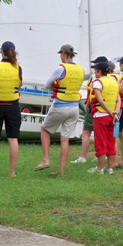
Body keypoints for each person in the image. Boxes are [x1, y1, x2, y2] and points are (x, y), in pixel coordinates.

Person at [34, 44, 84, 175]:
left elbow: (46, 84)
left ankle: (46, 160)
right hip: (74, 107)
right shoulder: (80, 69)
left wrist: (53, 88)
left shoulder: (61, 68)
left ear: (63, 53)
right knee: (65, 138)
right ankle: (61, 171)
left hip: (60, 106)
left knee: (45, 130)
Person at [0, 41, 22, 178]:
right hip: (13, 106)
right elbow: (19, 83)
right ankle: (12, 172)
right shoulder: (18, 68)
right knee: (13, 139)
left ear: (2, 52)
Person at [70, 56, 108, 164]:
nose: (94, 68)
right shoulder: (109, 79)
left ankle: (83, 157)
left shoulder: (97, 78)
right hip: (104, 109)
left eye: (96, 65)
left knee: (86, 132)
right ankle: (100, 155)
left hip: (94, 109)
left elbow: (95, 93)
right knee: (100, 134)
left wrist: (89, 105)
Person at [87, 62, 120, 175]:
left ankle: (100, 168)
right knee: (111, 141)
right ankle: (110, 167)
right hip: (112, 116)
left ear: (99, 72)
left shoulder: (97, 82)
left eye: (95, 71)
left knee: (100, 141)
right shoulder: (114, 82)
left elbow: (99, 100)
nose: (95, 73)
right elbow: (118, 100)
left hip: (101, 115)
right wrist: (115, 113)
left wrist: (110, 111)